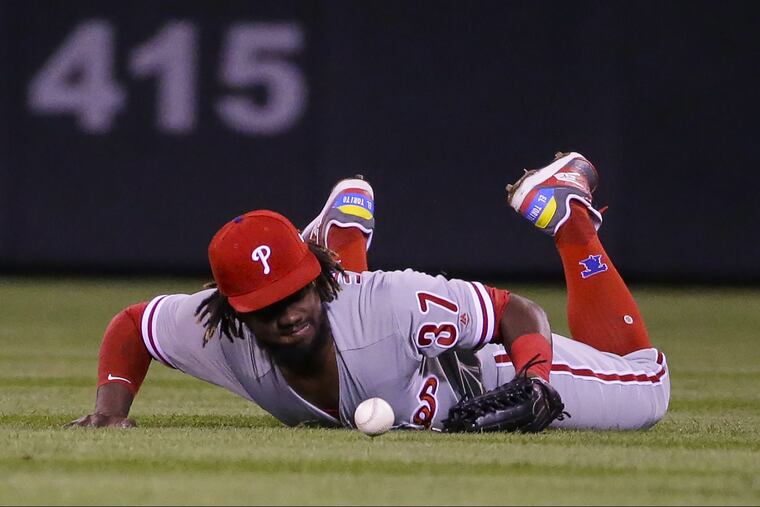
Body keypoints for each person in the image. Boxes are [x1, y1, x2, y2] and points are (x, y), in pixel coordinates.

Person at [67, 152, 670, 431]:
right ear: (232, 313)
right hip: (390, 355)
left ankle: (570, 221)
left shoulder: (390, 303)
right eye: (265, 305)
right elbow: (131, 324)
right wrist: (110, 412)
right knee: (343, 320)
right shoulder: (214, 331)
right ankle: (341, 236)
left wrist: (535, 382)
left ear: (316, 278)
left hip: (483, 369)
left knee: (649, 388)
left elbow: (515, 310)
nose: (287, 315)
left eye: (296, 290)